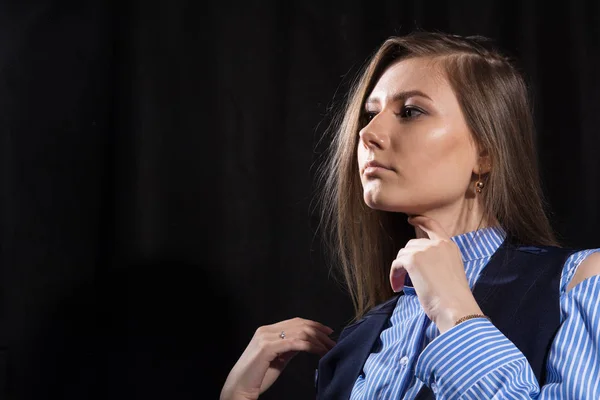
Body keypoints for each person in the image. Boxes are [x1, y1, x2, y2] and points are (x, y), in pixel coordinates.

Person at [220, 31, 600, 399]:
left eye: (411, 111)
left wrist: (455, 311)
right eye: (370, 114)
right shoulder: (355, 344)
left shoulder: (578, 283)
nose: (368, 133)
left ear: (486, 153)